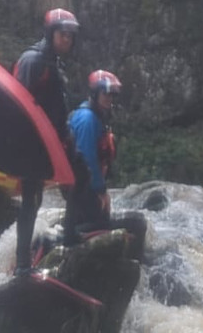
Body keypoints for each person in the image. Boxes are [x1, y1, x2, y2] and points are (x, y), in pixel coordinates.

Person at [11, 7, 78, 276]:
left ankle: (71, 236)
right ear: (51, 34)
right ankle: (22, 265)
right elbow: (18, 102)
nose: (68, 41)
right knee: (31, 200)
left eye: (71, 37)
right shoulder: (33, 60)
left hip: (52, 142)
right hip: (33, 143)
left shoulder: (54, 62)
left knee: (71, 186)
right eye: (64, 35)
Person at [63, 69, 147, 252]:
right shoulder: (87, 119)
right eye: (105, 94)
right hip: (82, 186)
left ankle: (69, 233)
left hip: (82, 188)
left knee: (100, 219)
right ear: (95, 93)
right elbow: (87, 160)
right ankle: (61, 238)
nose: (109, 98)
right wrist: (101, 191)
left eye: (111, 95)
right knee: (119, 223)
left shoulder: (96, 116)